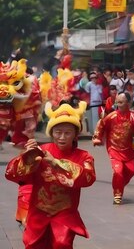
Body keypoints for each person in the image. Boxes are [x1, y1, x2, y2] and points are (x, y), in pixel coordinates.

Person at [5, 101, 95, 249]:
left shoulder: (84, 156)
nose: (62, 137)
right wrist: (26, 158)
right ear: (51, 132)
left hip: (64, 214)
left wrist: (56, 164)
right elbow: (12, 175)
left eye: (67, 133)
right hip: (38, 212)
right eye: (58, 132)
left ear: (75, 134)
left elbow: (88, 178)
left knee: (62, 243)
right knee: (33, 245)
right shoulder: (41, 151)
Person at [92, 92, 134, 204]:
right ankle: (117, 194)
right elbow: (101, 125)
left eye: (121, 102)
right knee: (118, 172)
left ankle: (119, 184)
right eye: (117, 102)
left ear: (128, 103)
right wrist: (97, 138)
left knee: (131, 171)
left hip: (128, 150)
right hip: (113, 148)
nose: (118, 104)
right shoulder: (111, 117)